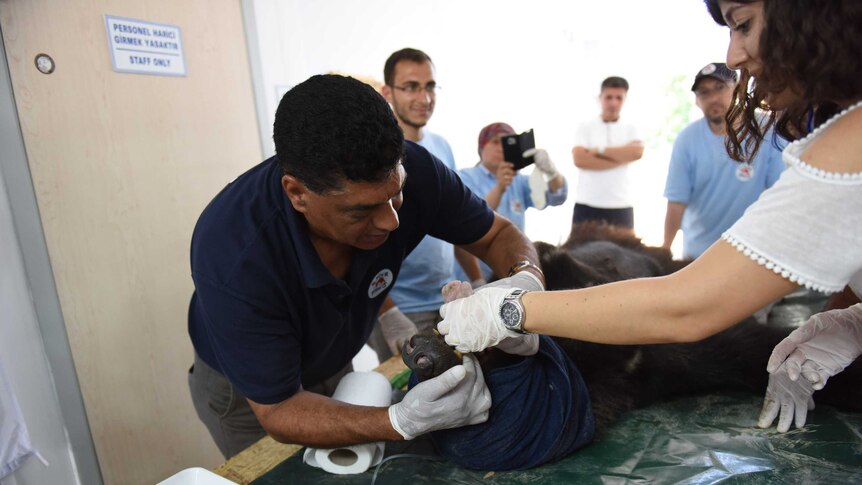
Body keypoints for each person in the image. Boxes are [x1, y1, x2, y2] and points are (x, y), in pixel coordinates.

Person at [438, 0, 862, 435]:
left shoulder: (848, 146)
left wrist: (509, 311)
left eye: (744, 24)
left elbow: (687, 307)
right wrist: (848, 317)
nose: (734, 56)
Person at [187, 74, 544, 458]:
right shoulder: (234, 253)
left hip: (332, 359)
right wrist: (401, 420)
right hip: (246, 392)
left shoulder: (417, 171)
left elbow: (496, 235)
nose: (391, 221)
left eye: (397, 194)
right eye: (361, 210)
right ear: (297, 194)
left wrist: (525, 284)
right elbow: (279, 409)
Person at [365, 48, 480, 363]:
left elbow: (459, 221)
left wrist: (478, 279)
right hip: (401, 306)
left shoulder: (441, 146)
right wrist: (388, 312)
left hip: (445, 297)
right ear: (387, 92)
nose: (424, 97)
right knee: (410, 397)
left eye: (429, 86)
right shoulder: (372, 152)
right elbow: (355, 246)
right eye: (411, 86)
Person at [663, 62, 784, 260]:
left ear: (737, 89)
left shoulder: (767, 130)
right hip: (699, 255)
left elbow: (780, 193)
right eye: (704, 93)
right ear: (696, 101)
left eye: (720, 88)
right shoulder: (687, 139)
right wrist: (665, 250)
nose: (713, 98)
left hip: (753, 251)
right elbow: (676, 200)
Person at [455, 122, 568, 282]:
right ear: (481, 147)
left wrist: (551, 172)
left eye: (507, 143)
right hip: (474, 274)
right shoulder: (464, 177)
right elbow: (469, 218)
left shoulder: (519, 181)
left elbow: (557, 197)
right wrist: (500, 187)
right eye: (495, 142)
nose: (501, 148)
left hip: (509, 270)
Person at [571, 76, 644, 230]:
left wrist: (599, 151)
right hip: (587, 203)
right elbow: (579, 159)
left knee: (626, 253)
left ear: (625, 99)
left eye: (619, 98)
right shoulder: (585, 127)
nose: (613, 103)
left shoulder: (631, 128)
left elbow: (637, 153)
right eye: (609, 97)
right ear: (600, 98)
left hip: (621, 205)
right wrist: (622, 156)